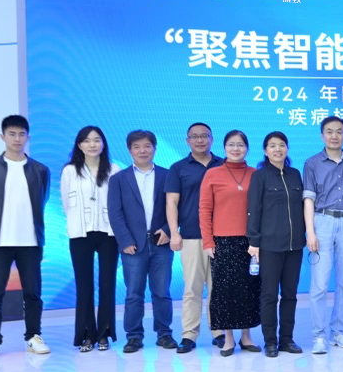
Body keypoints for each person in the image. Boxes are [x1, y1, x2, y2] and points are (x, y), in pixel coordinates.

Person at [0, 115, 51, 362]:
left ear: (28, 137)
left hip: (30, 242)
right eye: (12, 134)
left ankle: (33, 336)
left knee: (33, 293)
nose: (17, 139)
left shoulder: (40, 170)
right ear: (2, 137)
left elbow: (43, 200)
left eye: (21, 134)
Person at [108, 130, 177, 353]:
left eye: (147, 146)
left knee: (162, 292)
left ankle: (164, 333)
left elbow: (178, 206)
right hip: (133, 245)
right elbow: (115, 212)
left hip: (161, 243)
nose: (142, 151)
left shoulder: (168, 175)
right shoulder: (119, 179)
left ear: (154, 149)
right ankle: (134, 336)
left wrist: (168, 230)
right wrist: (125, 240)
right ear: (130, 150)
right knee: (133, 294)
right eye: (137, 147)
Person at [199, 130, 262, 357]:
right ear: (224, 148)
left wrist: (259, 239)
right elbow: (205, 209)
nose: (236, 149)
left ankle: (246, 336)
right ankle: (228, 338)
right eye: (231, 144)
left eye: (240, 145)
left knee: (248, 289)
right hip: (222, 241)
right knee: (224, 291)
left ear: (247, 148)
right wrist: (208, 241)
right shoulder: (212, 174)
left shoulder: (256, 174)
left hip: (251, 241)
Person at [61, 126, 121, 352]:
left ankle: (104, 333)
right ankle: (87, 334)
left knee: (107, 284)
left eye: (97, 140)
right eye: (86, 141)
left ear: (103, 144)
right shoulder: (69, 171)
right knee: (84, 285)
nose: (92, 144)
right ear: (79, 145)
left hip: (108, 234)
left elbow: (117, 203)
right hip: (80, 234)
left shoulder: (114, 169)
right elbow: (67, 204)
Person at [166, 122, 225, 353]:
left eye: (204, 136)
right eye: (195, 136)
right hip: (191, 235)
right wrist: (174, 232)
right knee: (192, 288)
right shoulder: (178, 168)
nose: (200, 140)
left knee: (218, 288)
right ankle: (189, 335)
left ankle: (219, 332)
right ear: (187, 140)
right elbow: (171, 203)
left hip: (222, 236)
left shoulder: (223, 164)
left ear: (212, 139)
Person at [247, 131, 307, 358]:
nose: (278, 149)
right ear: (265, 151)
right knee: (269, 295)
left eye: (282, 145)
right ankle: (270, 341)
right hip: (269, 246)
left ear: (287, 149)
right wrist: (254, 241)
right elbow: (253, 210)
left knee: (290, 295)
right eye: (272, 146)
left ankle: (287, 339)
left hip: (294, 246)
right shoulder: (260, 176)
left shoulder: (295, 174)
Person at [304, 116, 343, 354]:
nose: (334, 136)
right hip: (322, 221)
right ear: (322, 135)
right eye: (329, 131)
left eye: (339, 131)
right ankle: (319, 335)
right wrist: (310, 232)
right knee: (319, 284)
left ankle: (338, 332)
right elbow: (309, 199)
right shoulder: (312, 163)